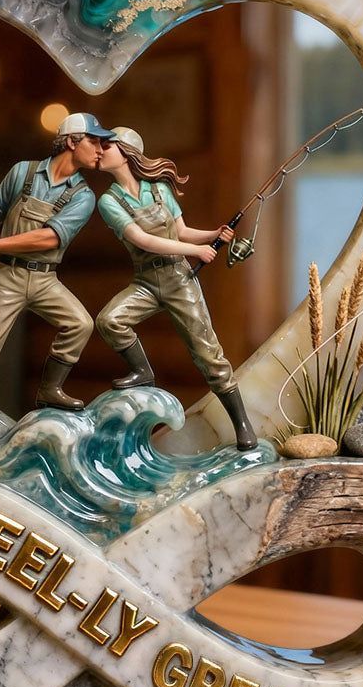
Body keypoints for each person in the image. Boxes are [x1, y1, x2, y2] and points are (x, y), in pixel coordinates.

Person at [0, 113, 115, 448]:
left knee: (79, 323)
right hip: (8, 278)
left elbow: (49, 238)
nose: (101, 150)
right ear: (72, 141)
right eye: (95, 141)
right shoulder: (23, 172)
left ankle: (50, 389)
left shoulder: (83, 196)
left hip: (45, 279)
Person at [94, 126, 256, 450]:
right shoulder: (108, 201)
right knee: (109, 320)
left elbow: (181, 231)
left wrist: (214, 235)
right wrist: (196, 251)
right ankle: (143, 372)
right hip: (146, 281)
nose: (99, 151)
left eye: (106, 146)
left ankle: (243, 425)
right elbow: (143, 240)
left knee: (209, 355)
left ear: (126, 153)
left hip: (179, 280)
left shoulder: (159, 189)